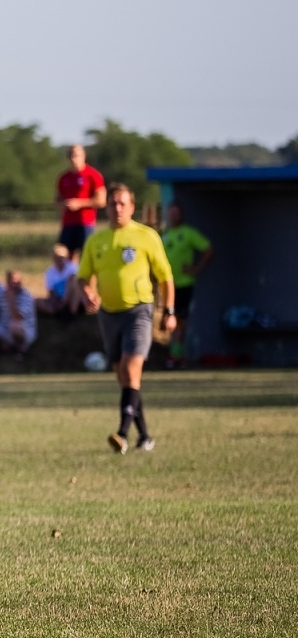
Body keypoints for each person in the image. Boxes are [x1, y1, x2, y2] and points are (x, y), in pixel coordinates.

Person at [76, 184, 174, 454]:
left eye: (122, 203)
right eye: (112, 204)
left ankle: (122, 434)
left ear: (132, 207)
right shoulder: (96, 241)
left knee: (131, 370)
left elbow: (165, 277)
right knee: (125, 378)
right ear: (106, 208)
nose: (117, 208)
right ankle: (145, 435)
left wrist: (169, 311)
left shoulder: (146, 236)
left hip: (138, 310)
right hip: (108, 314)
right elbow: (83, 277)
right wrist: (88, 293)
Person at [160, 203, 213, 369]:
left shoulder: (188, 233)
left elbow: (209, 249)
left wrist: (196, 268)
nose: (173, 216)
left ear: (181, 215)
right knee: (168, 320)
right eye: (171, 213)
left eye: (176, 213)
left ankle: (176, 355)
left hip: (183, 284)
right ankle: (175, 354)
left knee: (180, 320)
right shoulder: (164, 235)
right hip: (167, 285)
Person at [55, 144, 106, 256]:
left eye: (76, 155)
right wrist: (65, 204)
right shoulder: (64, 178)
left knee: (86, 254)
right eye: (71, 155)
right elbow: (57, 200)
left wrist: (80, 204)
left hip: (85, 222)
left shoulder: (93, 175)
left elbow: (101, 200)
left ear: (83, 156)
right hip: (68, 222)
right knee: (64, 255)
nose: (74, 158)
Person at [0, 270, 38, 356]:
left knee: (15, 326)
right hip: (5, 327)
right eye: (11, 281)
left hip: (25, 329)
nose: (14, 284)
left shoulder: (26, 296)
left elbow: (17, 317)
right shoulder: (1, 295)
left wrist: (11, 301)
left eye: (16, 281)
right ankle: (5, 345)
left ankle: (21, 348)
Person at [36, 244, 82, 317]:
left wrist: (64, 301)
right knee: (36, 302)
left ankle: (70, 310)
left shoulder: (73, 268)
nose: (59, 260)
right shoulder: (50, 272)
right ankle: (56, 312)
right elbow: (51, 291)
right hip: (58, 298)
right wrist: (56, 302)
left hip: (71, 297)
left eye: (61, 258)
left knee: (73, 279)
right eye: (57, 258)